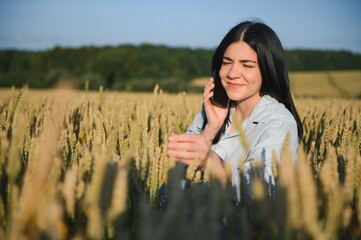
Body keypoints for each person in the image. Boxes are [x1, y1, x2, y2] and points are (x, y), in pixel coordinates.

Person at [167, 20, 303, 202]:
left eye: (247, 65)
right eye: (227, 62)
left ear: (268, 69)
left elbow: (258, 189)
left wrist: (209, 161)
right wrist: (210, 130)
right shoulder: (214, 110)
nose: (232, 73)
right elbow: (174, 177)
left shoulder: (279, 123)